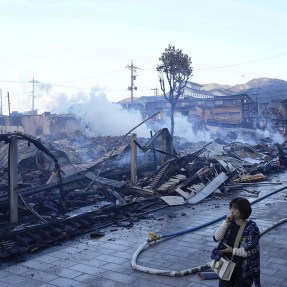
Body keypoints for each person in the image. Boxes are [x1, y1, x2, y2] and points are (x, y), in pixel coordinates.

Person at [211, 197, 261, 287]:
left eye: (235, 208)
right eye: (231, 208)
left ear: (243, 211)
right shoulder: (230, 223)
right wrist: (226, 222)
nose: (232, 211)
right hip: (226, 263)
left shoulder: (251, 228)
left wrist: (232, 250)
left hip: (243, 267)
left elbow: (251, 251)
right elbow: (217, 237)